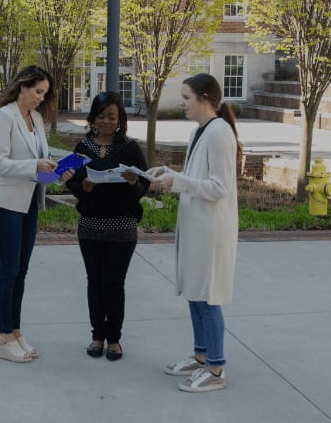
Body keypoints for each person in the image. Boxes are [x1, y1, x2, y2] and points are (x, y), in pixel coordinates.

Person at [146, 73, 239, 393]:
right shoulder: (200, 131)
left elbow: (219, 187)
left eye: (186, 98)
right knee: (194, 294)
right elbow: (197, 176)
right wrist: (170, 175)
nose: (182, 103)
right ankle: (201, 356)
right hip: (195, 228)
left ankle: (216, 369)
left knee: (208, 297)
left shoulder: (219, 134)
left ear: (205, 99)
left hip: (211, 233)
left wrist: (179, 182)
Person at [0, 65, 74, 363]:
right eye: (37, 91)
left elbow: (40, 163)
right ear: (22, 87)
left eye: (44, 94)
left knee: (21, 271)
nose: (40, 98)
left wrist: (58, 174)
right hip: (4, 202)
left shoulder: (36, 118)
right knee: (8, 270)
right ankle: (2, 337)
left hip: (29, 203)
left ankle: (16, 332)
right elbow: (0, 163)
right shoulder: (3, 117)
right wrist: (36, 166)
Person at [65, 91, 149, 362]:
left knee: (114, 283)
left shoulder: (130, 148)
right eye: (101, 116)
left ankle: (114, 339)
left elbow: (144, 185)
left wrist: (134, 182)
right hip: (90, 224)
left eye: (112, 117)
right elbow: (70, 182)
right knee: (94, 282)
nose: (106, 122)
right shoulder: (82, 148)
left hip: (122, 226)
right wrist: (84, 186)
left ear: (120, 118)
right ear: (92, 118)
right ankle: (96, 336)